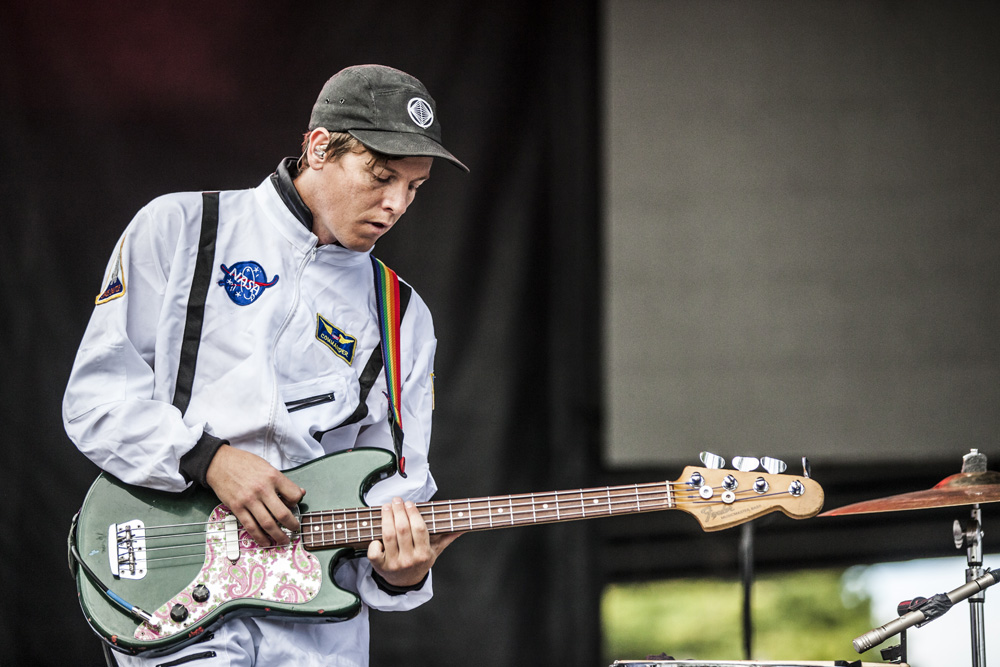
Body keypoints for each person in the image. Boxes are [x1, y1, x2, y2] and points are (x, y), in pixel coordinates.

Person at [63, 64, 467, 667]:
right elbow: (96, 404)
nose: (396, 203)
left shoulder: (403, 314)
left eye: (415, 186)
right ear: (318, 147)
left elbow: (398, 495)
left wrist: (401, 575)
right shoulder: (180, 228)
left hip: (317, 637)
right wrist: (210, 461)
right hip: (179, 598)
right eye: (382, 176)